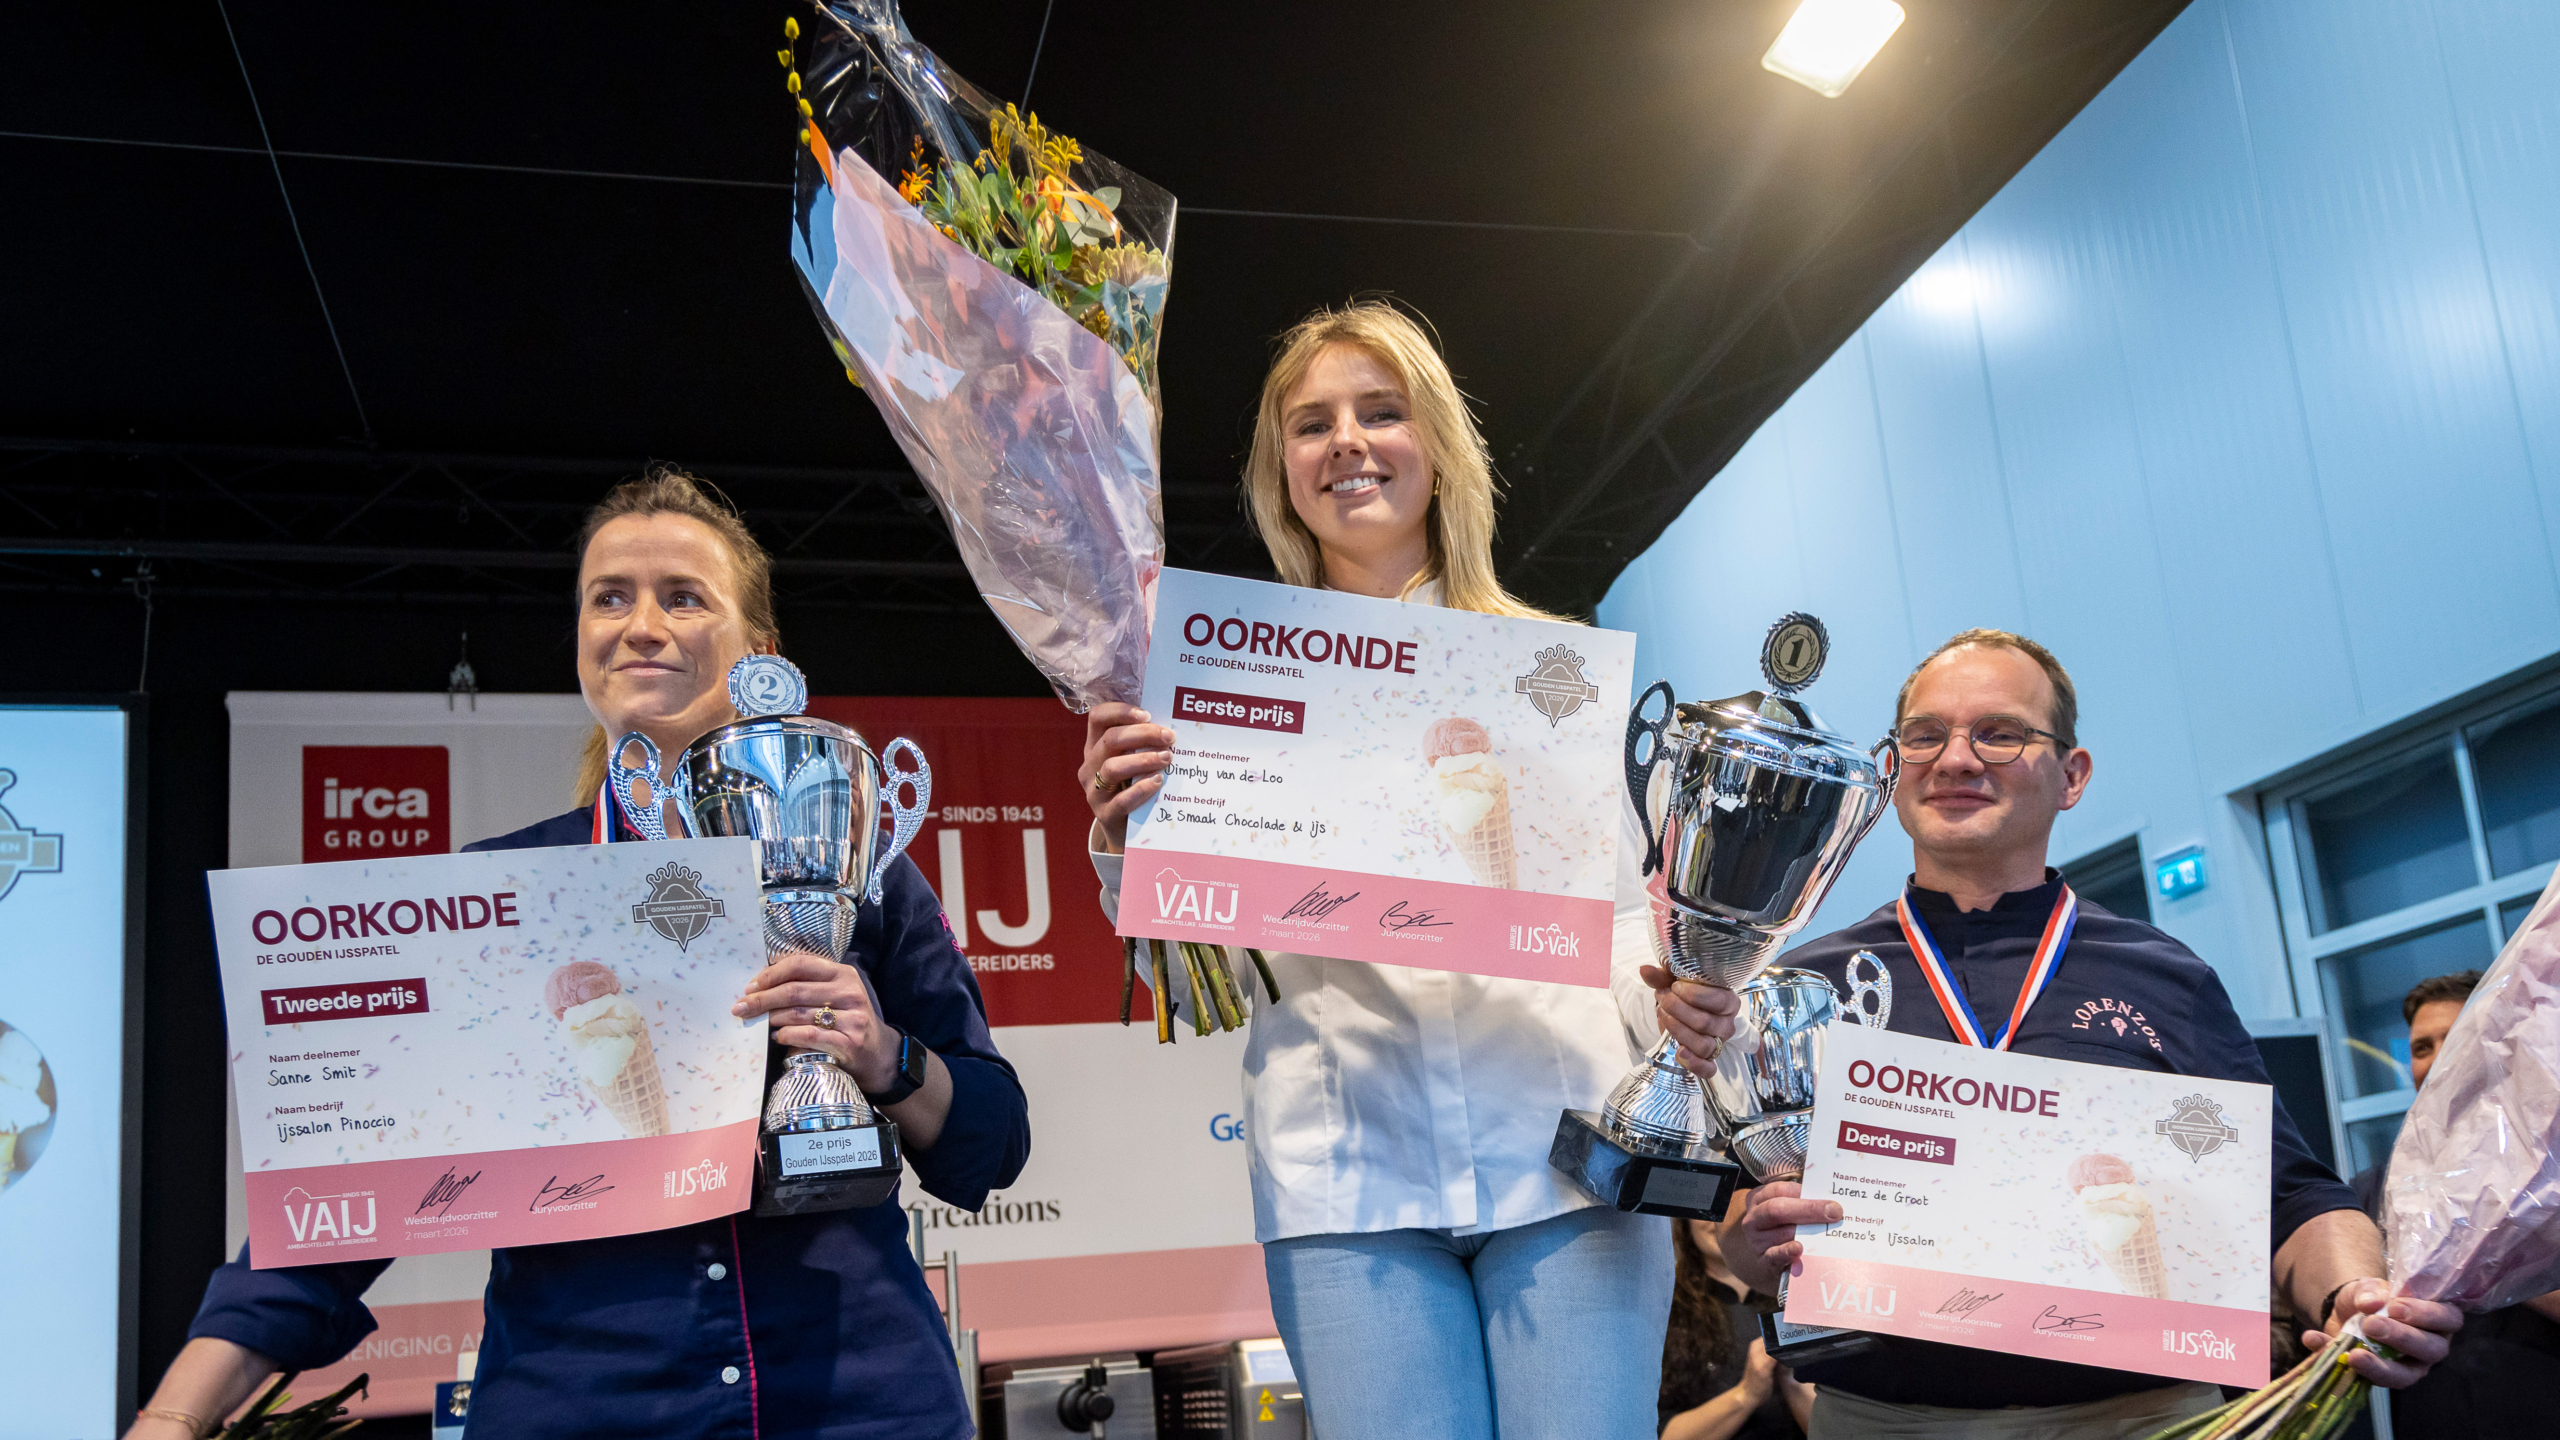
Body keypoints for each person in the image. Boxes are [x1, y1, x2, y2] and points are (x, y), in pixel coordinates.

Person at [129, 470, 1029, 1440]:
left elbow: (990, 1139)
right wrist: (176, 1414)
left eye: (683, 598)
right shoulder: (500, 898)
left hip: (858, 1401)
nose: (641, 624)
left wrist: (883, 1055)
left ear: (760, 655)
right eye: (610, 598)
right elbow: (350, 1201)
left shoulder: (862, 875)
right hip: (582, 1405)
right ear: (581, 648)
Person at [1078, 301, 1707, 1439]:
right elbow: (1188, 978)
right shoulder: (1223, 686)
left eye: (1381, 411)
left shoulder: (1547, 672)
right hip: (1344, 1183)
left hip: (1563, 1166)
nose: (1348, 443)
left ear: (1438, 446)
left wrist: (1669, 1007)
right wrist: (1132, 839)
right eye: (1311, 424)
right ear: (1281, 470)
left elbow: (1623, 923)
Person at [1648, 628, 2463, 1440]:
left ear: (2071, 776)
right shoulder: (1803, 985)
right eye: (1925, 735)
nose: (1957, 759)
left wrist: (2354, 1292)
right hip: (1881, 1423)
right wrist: (1760, 1237)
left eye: (2000, 733)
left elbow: (2289, 1197)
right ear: (1892, 773)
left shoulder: (2164, 977)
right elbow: (1741, 1226)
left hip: (2144, 1417)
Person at [2349, 969, 2560, 1438]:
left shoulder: (2554, 1176)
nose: (2440, 1058)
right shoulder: (2375, 1195)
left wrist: (2495, 1253)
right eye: (2422, 1047)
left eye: (2460, 1036)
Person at [1658, 1204, 1812, 1439]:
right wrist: (1746, 1394)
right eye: (1710, 1206)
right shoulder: (1663, 1305)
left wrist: (1791, 1379)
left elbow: (1838, 1428)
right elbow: (1657, 1432)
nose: (1719, 1221)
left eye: (1735, 1208)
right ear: (1685, 1220)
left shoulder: (1804, 1297)